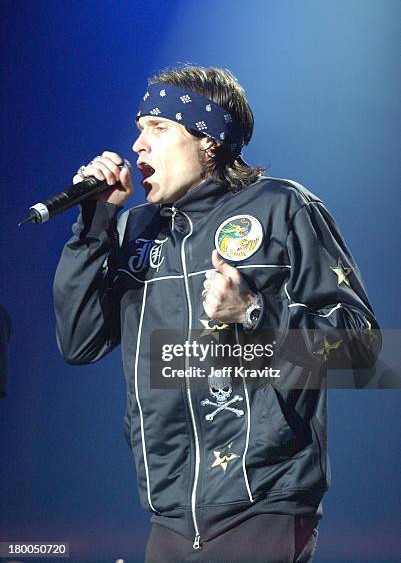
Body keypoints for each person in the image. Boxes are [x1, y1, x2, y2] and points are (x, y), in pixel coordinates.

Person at [53, 65, 381, 563]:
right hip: (168, 511)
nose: (138, 145)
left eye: (158, 128)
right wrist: (95, 224)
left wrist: (253, 313)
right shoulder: (134, 229)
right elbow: (79, 343)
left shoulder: (279, 207)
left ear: (208, 138)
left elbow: (364, 353)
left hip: (264, 499)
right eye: (139, 130)